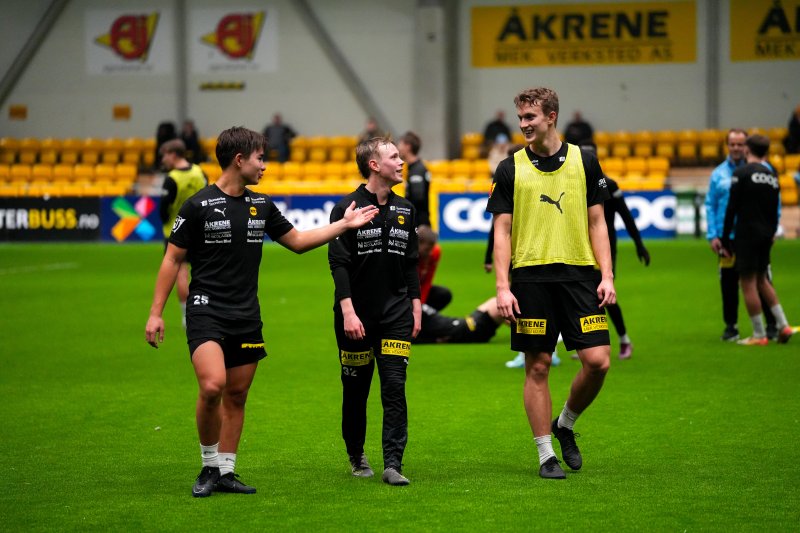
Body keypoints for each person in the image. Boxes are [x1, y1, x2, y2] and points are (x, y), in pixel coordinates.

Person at [144, 126, 378, 498]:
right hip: (207, 310)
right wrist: (156, 313)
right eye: (260, 158)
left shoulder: (262, 206)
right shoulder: (198, 206)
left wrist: (343, 226)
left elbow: (298, 242)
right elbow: (173, 258)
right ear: (240, 160)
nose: (265, 166)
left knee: (237, 395)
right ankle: (207, 464)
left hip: (246, 314)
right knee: (212, 386)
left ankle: (226, 471)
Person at [486, 87, 615, 480]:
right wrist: (502, 286)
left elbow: (598, 223)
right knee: (538, 366)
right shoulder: (509, 168)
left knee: (598, 362)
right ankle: (545, 454)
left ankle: (566, 424)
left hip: (579, 275)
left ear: (552, 116)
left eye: (530, 117)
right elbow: (502, 231)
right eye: (520, 118)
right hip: (530, 279)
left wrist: (607, 275)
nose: (523, 125)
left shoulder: (585, 161)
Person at [328, 137, 422, 487]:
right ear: (373, 164)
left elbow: (411, 264)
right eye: (394, 157)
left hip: (396, 313)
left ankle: (393, 463)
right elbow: (338, 265)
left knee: (395, 387)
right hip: (356, 315)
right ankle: (356, 454)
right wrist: (349, 313)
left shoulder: (407, 209)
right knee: (356, 390)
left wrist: (416, 307)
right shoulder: (346, 208)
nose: (401, 162)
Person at [579, 141, 650, 360]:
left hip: (605, 247)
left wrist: (639, 244)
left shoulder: (609, 185)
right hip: (580, 247)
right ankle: (589, 344)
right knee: (582, 295)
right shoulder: (574, 185)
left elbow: (626, 216)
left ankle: (624, 339)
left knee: (604, 294)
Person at [720, 135, 794, 345]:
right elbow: (774, 209)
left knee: (748, 282)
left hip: (747, 234)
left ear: (747, 150)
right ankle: (783, 325)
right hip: (766, 234)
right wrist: (771, 233)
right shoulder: (772, 175)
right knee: (763, 279)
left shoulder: (741, 173)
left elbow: (731, 208)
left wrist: (725, 239)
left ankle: (759, 334)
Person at [704, 129, 777, 342]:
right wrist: (713, 235)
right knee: (728, 282)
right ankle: (731, 326)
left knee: (762, 279)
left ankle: (771, 325)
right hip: (727, 238)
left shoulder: (761, 170)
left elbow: (775, 203)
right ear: (727, 145)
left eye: (740, 144)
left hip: (753, 235)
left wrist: (773, 229)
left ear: (747, 146)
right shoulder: (718, 174)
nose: (736, 148)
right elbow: (711, 205)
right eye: (732, 144)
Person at [158, 138, 208, 327]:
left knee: (180, 274)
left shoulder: (172, 178)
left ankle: (187, 316)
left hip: (176, 232)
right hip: (202, 232)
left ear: (173, 154)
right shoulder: (199, 172)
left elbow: (163, 209)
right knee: (204, 273)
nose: (163, 160)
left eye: (164, 155)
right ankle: (206, 310)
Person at [397, 131, 432, 226]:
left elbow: (418, 198)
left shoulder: (417, 170)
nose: (398, 149)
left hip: (419, 224)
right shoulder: (414, 167)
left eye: (400, 144)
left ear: (408, 146)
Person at [417, 225, 452, 311]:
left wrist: (420, 306)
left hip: (419, 290)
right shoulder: (406, 255)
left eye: (432, 248)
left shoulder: (435, 252)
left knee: (443, 294)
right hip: (404, 292)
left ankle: (424, 319)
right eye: (427, 249)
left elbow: (427, 281)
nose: (430, 253)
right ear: (417, 243)